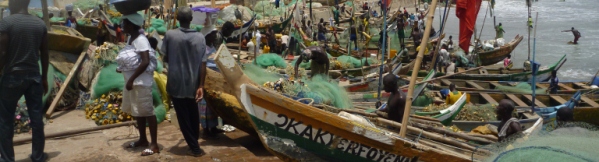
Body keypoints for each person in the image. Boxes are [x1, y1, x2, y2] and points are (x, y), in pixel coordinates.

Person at [0, 0, 49, 161]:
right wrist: (44, 78)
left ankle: (7, 159)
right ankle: (38, 156)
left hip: (12, 77)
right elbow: (45, 53)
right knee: (36, 119)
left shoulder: (6, 22)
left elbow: (2, 52)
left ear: (15, 3)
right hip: (34, 77)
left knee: (5, 119)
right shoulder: (39, 24)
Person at [162, 6, 208, 157]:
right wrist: (201, 85)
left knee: (183, 118)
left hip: (176, 82)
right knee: (194, 114)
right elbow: (203, 63)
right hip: (194, 83)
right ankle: (194, 143)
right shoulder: (200, 37)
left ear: (177, 18)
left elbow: (165, 57)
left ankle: (195, 148)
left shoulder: (170, 35)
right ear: (191, 19)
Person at [116, 13, 159, 156]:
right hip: (134, 82)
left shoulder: (141, 40)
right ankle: (142, 139)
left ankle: (154, 145)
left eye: (125, 23)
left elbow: (145, 61)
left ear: (132, 25)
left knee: (147, 111)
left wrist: (131, 79)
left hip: (141, 82)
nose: (123, 26)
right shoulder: (130, 38)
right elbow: (132, 59)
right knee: (138, 111)